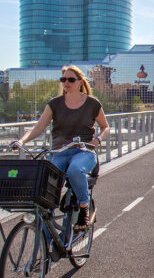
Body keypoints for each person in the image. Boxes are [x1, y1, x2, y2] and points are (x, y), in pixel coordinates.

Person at [11, 66, 109, 231]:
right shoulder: (54, 104)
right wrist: (21, 141)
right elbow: (38, 127)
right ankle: (47, 244)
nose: (66, 83)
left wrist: (97, 140)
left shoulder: (92, 104)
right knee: (47, 186)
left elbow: (105, 127)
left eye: (71, 80)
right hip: (59, 152)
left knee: (75, 170)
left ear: (80, 82)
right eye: (63, 80)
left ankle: (84, 207)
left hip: (84, 151)